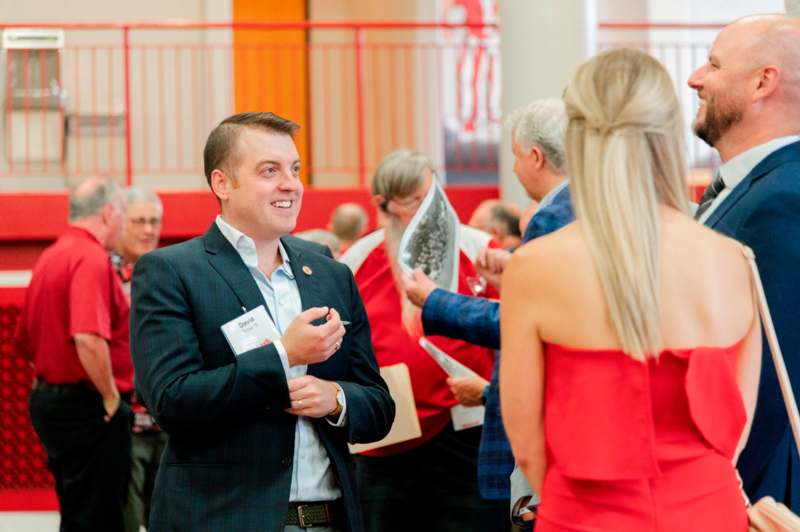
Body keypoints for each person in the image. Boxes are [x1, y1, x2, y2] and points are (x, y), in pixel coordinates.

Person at [500, 48, 762, 530]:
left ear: (578, 136)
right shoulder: (732, 261)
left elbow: (527, 442)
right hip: (709, 510)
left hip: (583, 514)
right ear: (666, 135)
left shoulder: (534, 267)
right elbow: (735, 431)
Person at [130, 112, 394, 532]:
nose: (289, 184)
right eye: (269, 171)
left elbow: (379, 405)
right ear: (222, 184)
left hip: (331, 518)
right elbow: (171, 401)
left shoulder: (329, 273)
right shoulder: (171, 271)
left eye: (293, 169)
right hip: (222, 519)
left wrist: (337, 399)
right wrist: (285, 354)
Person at [401, 99, 573, 524]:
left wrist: (434, 301)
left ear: (536, 157)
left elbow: (525, 325)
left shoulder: (552, 215)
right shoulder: (580, 206)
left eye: (515, 157)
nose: (514, 171)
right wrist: (514, 280)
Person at [340, 149, 506, 532]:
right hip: (387, 436)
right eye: (416, 200)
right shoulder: (356, 260)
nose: (430, 210)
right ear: (386, 203)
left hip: (464, 426)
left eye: (435, 196)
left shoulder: (477, 247)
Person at [687, 14, 800, 510]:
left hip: (752, 498)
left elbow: (769, 384)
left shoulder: (781, 199)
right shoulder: (759, 188)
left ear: (762, 83)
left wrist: (714, 499)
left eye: (713, 63)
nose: (695, 78)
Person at [14, 177, 133, 532]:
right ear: (109, 213)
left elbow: (23, 342)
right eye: (125, 215)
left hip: (53, 403)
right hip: (90, 408)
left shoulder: (52, 256)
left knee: (78, 510)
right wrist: (111, 397)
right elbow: (87, 337)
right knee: (101, 516)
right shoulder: (90, 258)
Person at [111, 186, 165, 532]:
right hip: (124, 422)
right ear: (119, 222)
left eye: (154, 221)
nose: (148, 230)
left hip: (165, 421)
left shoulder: (166, 271)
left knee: (165, 517)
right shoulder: (104, 273)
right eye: (140, 221)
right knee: (126, 520)